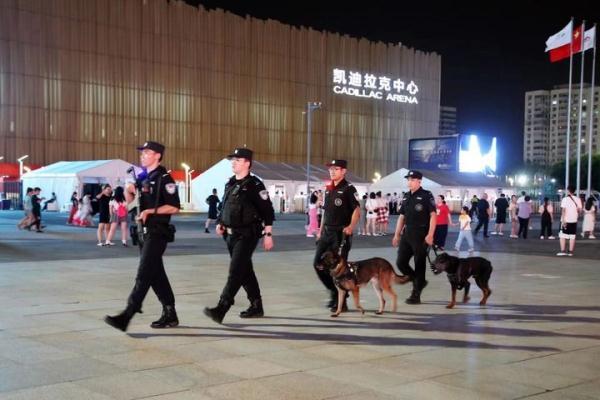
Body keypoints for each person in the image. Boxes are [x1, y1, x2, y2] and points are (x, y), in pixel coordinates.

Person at [105, 141, 181, 331]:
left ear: (157, 156)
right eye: (142, 152)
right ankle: (170, 313)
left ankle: (127, 314)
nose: (143, 155)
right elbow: (131, 204)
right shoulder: (142, 177)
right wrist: (128, 190)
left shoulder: (165, 178)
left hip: (157, 232)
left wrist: (150, 211)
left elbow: (174, 206)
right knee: (156, 274)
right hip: (142, 232)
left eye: (147, 152)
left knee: (144, 273)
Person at [203, 148, 274, 324]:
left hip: (247, 235)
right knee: (245, 271)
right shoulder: (230, 183)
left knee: (235, 271)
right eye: (232, 160)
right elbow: (224, 205)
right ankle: (256, 305)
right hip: (230, 236)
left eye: (237, 160)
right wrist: (220, 222)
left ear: (247, 163)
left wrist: (268, 234)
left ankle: (222, 308)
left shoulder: (255, 185)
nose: (233, 163)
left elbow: (268, 211)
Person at [312, 159, 360, 312]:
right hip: (326, 233)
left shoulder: (349, 189)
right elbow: (326, 213)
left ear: (343, 171)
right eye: (330, 169)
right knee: (318, 264)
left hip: (341, 234)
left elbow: (357, 210)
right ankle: (334, 292)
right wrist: (320, 231)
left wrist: (351, 226)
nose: (332, 171)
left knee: (339, 269)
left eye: (336, 169)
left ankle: (342, 302)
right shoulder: (328, 189)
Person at [392, 170, 437, 304]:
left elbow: (433, 215)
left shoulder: (426, 195)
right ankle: (419, 281)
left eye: (412, 180)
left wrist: (430, 234)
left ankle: (416, 294)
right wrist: (396, 234)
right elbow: (402, 217)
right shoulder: (406, 196)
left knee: (419, 264)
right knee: (401, 262)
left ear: (419, 181)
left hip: (421, 234)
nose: (409, 182)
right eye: (408, 180)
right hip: (407, 233)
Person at [557, 185, 582, 256]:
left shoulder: (565, 199)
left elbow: (563, 210)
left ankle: (563, 251)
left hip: (566, 220)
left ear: (568, 190)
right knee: (572, 236)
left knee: (562, 236)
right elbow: (580, 211)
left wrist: (563, 220)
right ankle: (570, 252)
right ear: (574, 191)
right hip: (574, 220)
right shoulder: (578, 199)